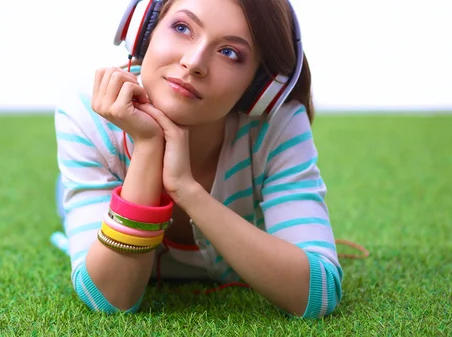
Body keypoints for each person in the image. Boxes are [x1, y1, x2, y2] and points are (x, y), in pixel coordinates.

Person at [51, 0, 351, 319]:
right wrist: (149, 146)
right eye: (182, 28)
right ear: (144, 31)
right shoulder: (88, 116)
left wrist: (186, 189)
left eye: (230, 52)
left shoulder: (278, 127)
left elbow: (317, 294)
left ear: (260, 88)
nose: (194, 62)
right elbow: (109, 298)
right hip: (105, 173)